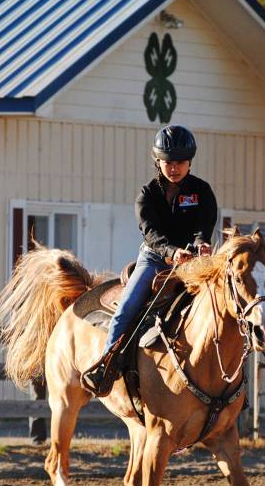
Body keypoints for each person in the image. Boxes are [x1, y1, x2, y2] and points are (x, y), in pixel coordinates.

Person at [82, 124, 218, 397]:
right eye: (168, 162)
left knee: (222, 307)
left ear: (190, 161)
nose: (174, 168)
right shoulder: (147, 194)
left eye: (180, 162)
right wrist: (170, 252)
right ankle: (106, 366)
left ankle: (235, 388)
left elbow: (205, 224)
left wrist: (202, 243)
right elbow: (151, 233)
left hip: (193, 263)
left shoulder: (202, 191)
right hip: (155, 260)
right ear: (158, 161)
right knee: (127, 309)